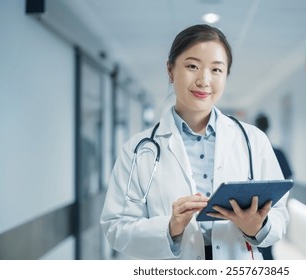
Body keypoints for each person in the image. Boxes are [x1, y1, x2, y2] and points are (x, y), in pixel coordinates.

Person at [100, 24, 289, 260]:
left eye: (216, 70)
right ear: (170, 70)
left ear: (226, 75)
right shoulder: (138, 150)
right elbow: (115, 228)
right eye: (192, 66)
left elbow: (280, 216)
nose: (204, 80)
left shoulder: (253, 141)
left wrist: (257, 227)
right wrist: (170, 227)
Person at [254, 113, 293, 260]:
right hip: (273, 202)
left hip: (255, 203)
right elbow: (287, 179)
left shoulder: (253, 153)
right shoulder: (278, 152)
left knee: (258, 242)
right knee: (267, 242)